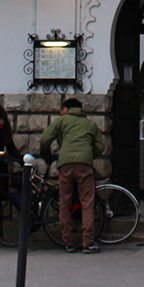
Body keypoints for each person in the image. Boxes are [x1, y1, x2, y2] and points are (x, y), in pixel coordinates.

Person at [39, 97, 106, 253]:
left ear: (66, 109)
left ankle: (68, 242)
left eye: (62, 109)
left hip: (65, 164)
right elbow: (100, 146)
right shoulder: (90, 124)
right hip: (85, 165)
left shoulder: (61, 121)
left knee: (65, 202)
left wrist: (46, 155)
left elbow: (45, 139)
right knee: (87, 202)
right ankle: (88, 242)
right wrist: (88, 155)